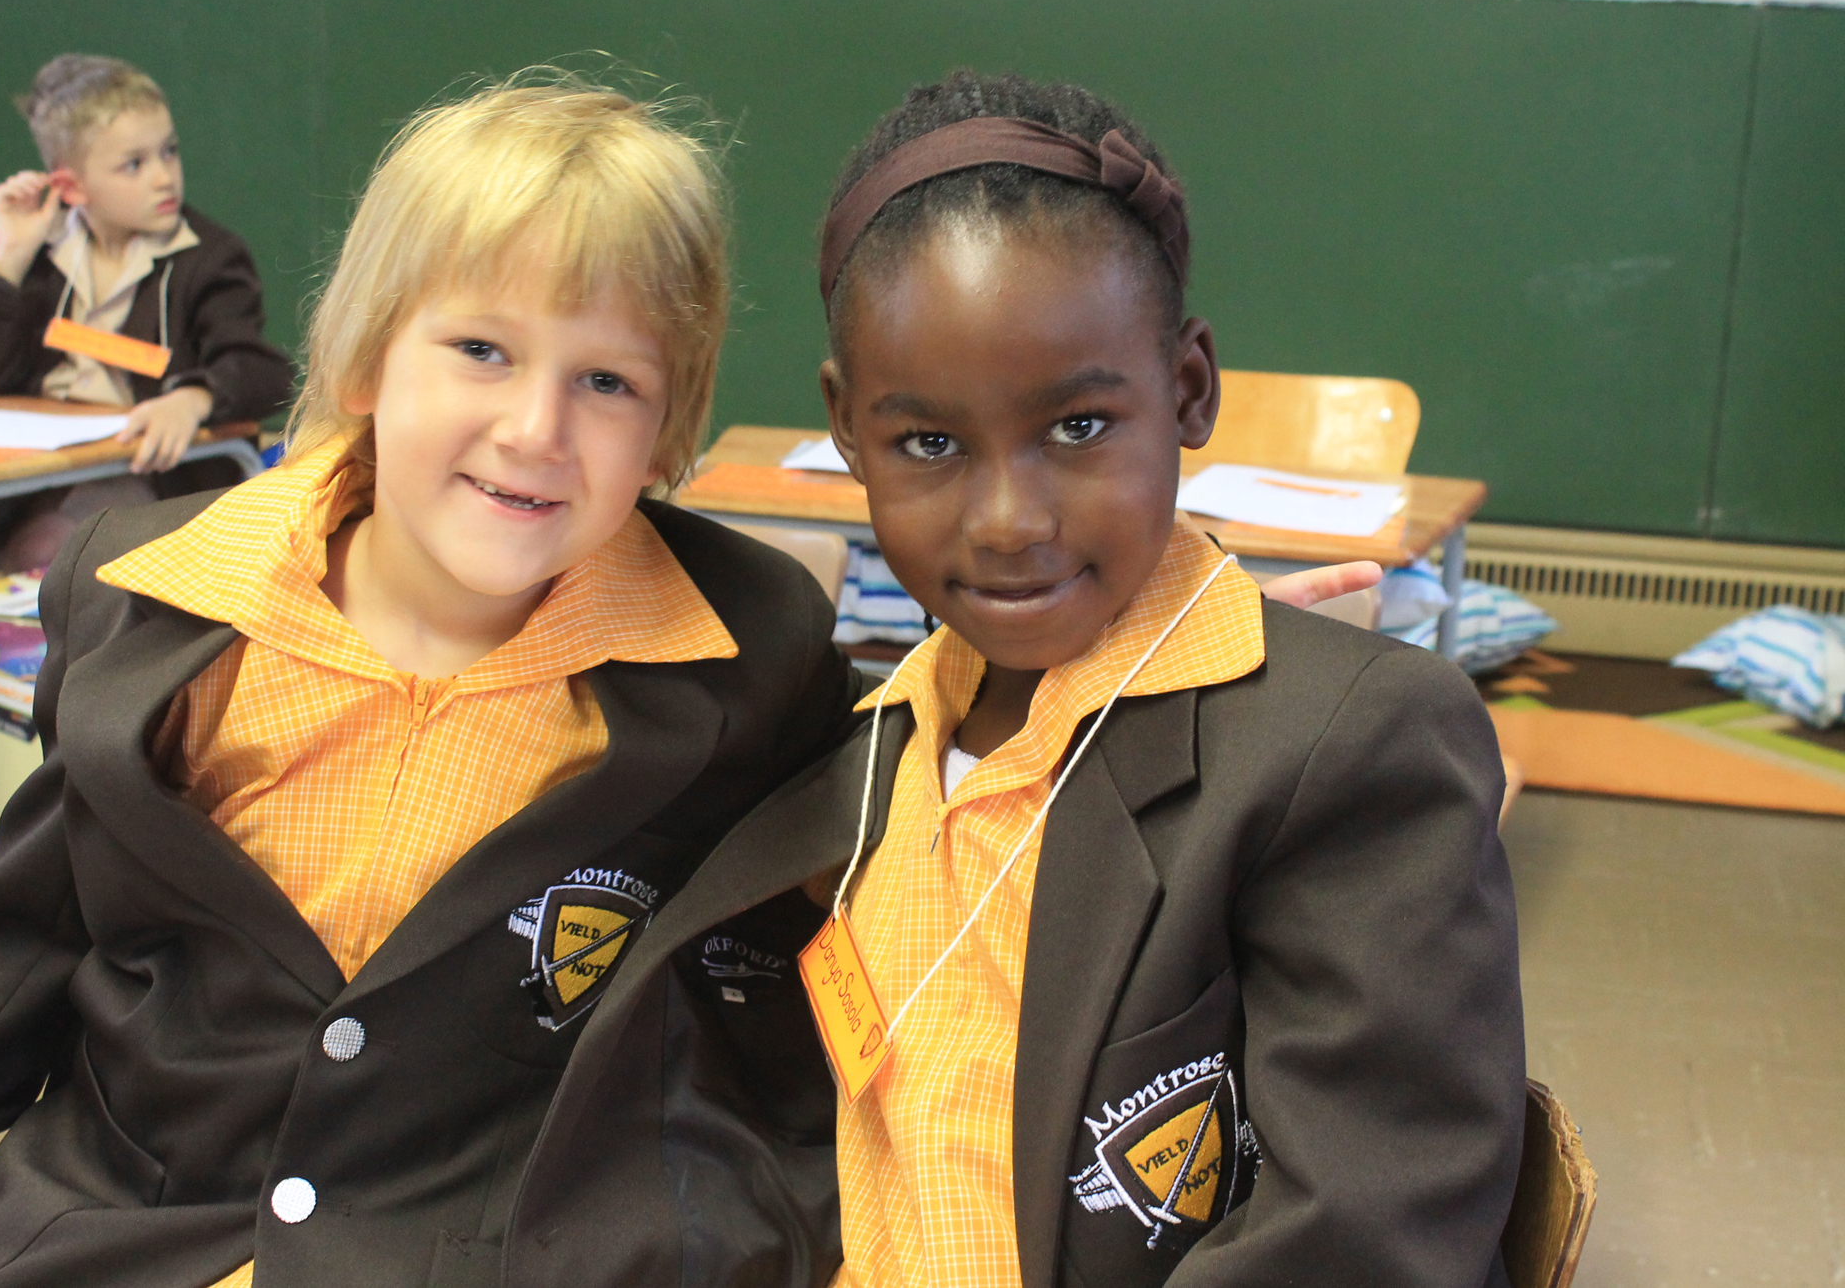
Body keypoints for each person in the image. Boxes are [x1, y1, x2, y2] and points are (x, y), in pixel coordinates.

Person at [0, 77, 859, 1288]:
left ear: (666, 428)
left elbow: (785, 993)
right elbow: (22, 935)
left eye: (607, 382)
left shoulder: (745, 650)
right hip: (134, 1222)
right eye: (481, 350)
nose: (535, 429)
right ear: (369, 355)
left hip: (483, 1245)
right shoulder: (148, 599)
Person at [597, 70, 1526, 1288]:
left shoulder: (1353, 746)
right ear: (846, 432)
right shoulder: (870, 746)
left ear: (1186, 390)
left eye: (1077, 428)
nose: (1008, 521)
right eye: (929, 443)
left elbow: (1366, 1235)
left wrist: (1291, 702)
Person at [0, 52, 293, 571]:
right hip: (38, 471)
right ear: (71, 188)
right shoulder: (43, 253)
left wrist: (194, 398)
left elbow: (262, 370)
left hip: (147, 475)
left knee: (51, 549)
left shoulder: (210, 257)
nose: (164, 178)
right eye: (134, 164)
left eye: (169, 152)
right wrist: (9, 261)